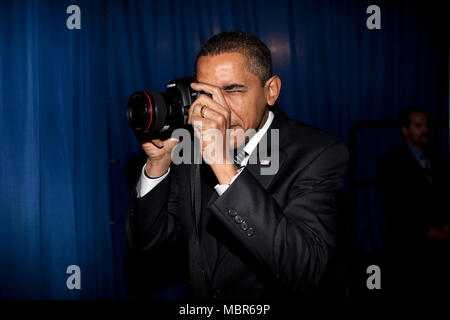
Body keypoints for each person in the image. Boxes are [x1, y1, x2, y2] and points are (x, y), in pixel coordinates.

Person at [126, 31, 349, 300]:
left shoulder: (318, 153)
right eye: (206, 93)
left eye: (232, 90)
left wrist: (222, 164)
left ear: (271, 91)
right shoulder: (190, 150)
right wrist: (158, 166)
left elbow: (306, 272)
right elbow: (149, 248)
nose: (218, 108)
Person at [376, 107, 450, 299]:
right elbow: (394, 205)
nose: (424, 129)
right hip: (410, 243)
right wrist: (424, 229)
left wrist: (445, 226)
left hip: (440, 238)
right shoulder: (390, 162)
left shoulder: (438, 158)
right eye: (418, 125)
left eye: (426, 125)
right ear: (405, 129)